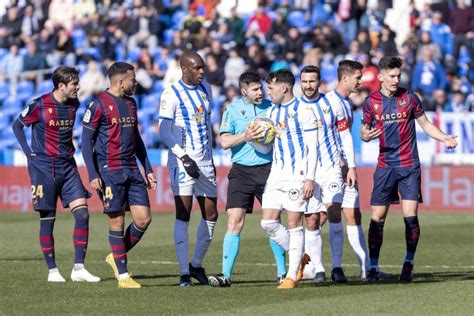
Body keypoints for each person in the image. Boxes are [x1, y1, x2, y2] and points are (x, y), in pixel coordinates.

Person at [361, 56, 458, 283]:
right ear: (381, 76)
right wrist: (365, 136)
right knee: (377, 216)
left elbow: (425, 124)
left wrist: (444, 138)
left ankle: (408, 262)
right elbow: (364, 133)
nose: (396, 80)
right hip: (385, 166)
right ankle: (373, 267)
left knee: (410, 216)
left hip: (409, 165)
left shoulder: (410, 98)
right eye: (392, 76)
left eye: (398, 75)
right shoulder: (370, 101)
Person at [11, 66, 100, 283]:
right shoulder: (39, 104)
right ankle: (52, 271)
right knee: (48, 219)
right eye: (74, 84)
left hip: (68, 166)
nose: (78, 87)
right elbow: (17, 126)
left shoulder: (74, 104)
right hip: (43, 166)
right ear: (61, 86)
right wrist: (29, 154)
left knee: (83, 214)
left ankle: (78, 268)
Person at [207, 71, 287, 287]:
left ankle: (282, 274)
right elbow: (224, 142)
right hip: (241, 172)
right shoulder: (232, 109)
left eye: (261, 88)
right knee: (234, 221)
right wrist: (245, 136)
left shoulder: (272, 108)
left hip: (269, 170)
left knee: (273, 223)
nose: (260, 92)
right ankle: (226, 276)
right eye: (255, 89)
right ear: (244, 91)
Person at [81, 62, 157, 289]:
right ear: (121, 80)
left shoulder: (131, 104)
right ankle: (123, 276)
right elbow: (86, 142)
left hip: (132, 168)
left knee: (144, 219)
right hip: (109, 169)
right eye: (133, 79)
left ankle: (115, 255)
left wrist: (148, 169)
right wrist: (93, 173)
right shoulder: (97, 104)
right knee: (117, 221)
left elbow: (138, 140)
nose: (136, 83)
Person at [158, 50, 218, 287]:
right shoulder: (171, 94)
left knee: (211, 214)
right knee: (183, 214)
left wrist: (210, 157)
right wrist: (183, 157)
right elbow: (164, 130)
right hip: (183, 161)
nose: (202, 71)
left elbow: (207, 126)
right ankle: (184, 272)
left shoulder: (207, 90)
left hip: (205, 161)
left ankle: (195, 264)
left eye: (203, 67)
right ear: (185, 69)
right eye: (197, 68)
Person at [297, 63, 359, 284]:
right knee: (312, 221)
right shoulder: (296, 108)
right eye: (304, 81)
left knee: (333, 211)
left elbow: (345, 136)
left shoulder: (332, 103)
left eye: (312, 81)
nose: (308, 85)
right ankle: (319, 268)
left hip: (331, 168)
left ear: (319, 82)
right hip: (307, 172)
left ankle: (336, 267)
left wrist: (350, 166)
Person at [259, 69, 320, 289]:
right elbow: (265, 144)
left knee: (294, 224)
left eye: (271, 87)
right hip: (276, 176)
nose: (268, 92)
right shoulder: (271, 113)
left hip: (298, 176)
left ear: (284, 87)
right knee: (267, 222)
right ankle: (301, 257)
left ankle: (292, 276)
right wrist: (251, 138)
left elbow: (313, 148)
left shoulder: (304, 111)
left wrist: (309, 179)